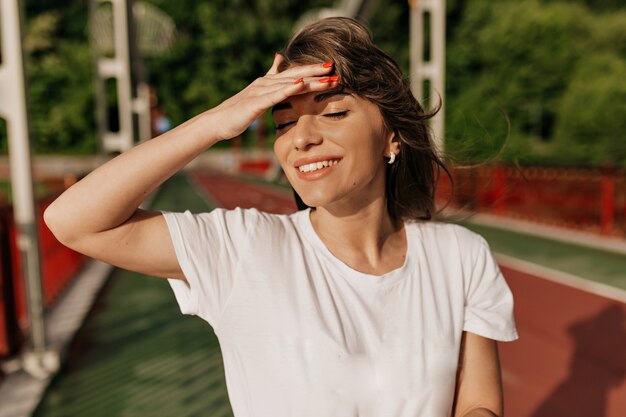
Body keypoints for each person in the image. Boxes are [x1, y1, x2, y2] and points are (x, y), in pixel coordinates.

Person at [44, 17, 517, 417]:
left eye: (333, 113)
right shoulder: (243, 247)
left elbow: (479, 403)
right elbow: (73, 221)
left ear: (393, 137)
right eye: (284, 122)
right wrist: (220, 119)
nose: (301, 138)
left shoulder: (460, 256)